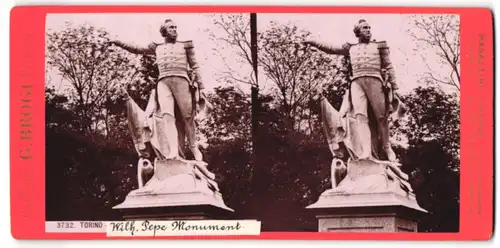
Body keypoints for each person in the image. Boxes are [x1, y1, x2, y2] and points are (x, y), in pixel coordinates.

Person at [303, 19, 399, 162]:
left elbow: (389, 66)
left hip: (375, 80)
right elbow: (331, 48)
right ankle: (366, 151)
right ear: (358, 31)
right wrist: (313, 41)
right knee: (360, 117)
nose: (368, 30)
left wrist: (395, 87)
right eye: (364, 28)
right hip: (357, 82)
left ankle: (386, 147)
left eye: (369, 27)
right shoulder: (351, 47)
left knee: (381, 117)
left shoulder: (380, 46)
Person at [110, 19, 205, 161]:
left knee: (187, 117)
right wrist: (117, 42)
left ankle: (193, 147)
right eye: (171, 27)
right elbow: (136, 49)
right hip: (163, 82)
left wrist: (201, 86)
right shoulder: (157, 47)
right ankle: (173, 150)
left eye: (175, 27)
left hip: (182, 80)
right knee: (168, 116)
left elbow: (195, 66)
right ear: (164, 31)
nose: (174, 30)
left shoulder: (185, 45)